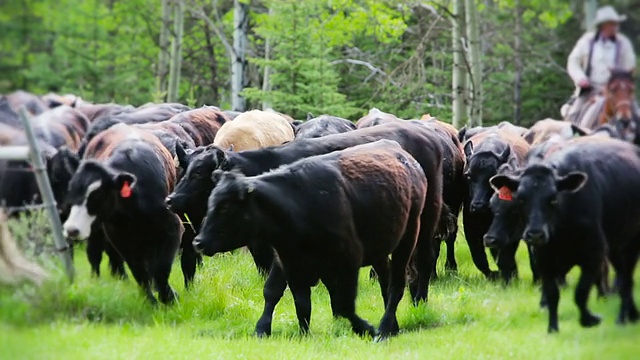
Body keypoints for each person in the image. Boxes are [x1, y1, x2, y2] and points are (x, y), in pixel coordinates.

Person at [564, 5, 636, 124]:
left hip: (617, 90)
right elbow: (573, 61)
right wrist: (581, 79)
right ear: (603, 25)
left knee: (635, 113)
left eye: (616, 24)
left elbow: (630, 64)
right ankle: (572, 139)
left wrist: (620, 81)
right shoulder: (587, 41)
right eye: (612, 24)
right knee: (572, 117)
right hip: (590, 90)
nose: (615, 27)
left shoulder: (623, 42)